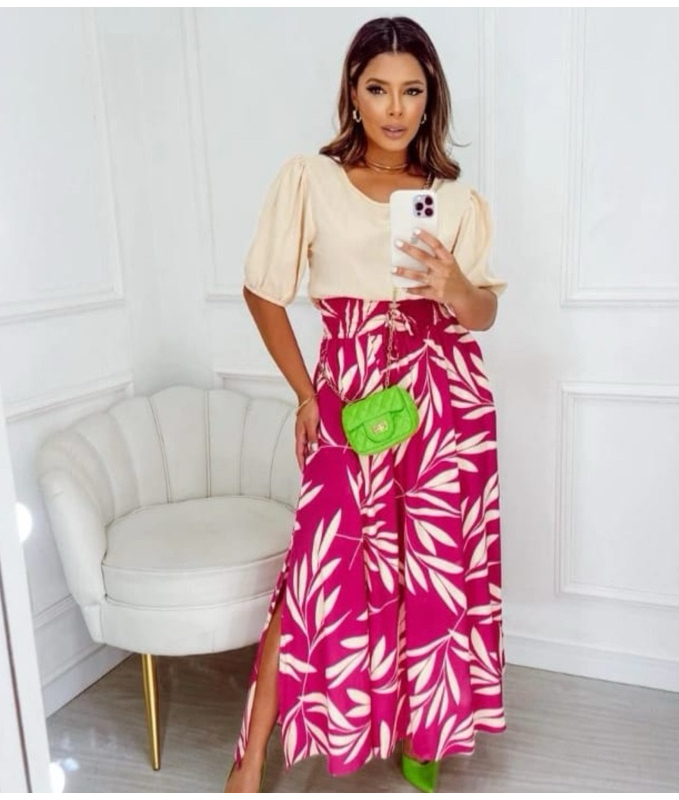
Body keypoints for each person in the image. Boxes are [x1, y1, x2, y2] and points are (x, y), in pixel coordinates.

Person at [225, 16, 506, 793]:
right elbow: (262, 291)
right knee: (316, 571)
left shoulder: (455, 199)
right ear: (353, 92)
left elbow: (483, 314)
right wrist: (305, 393)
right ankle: (249, 761)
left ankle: (424, 732)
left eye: (412, 91)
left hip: (445, 402)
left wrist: (455, 286)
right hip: (349, 396)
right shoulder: (309, 180)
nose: (395, 108)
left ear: (430, 99)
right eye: (379, 89)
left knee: (433, 570)